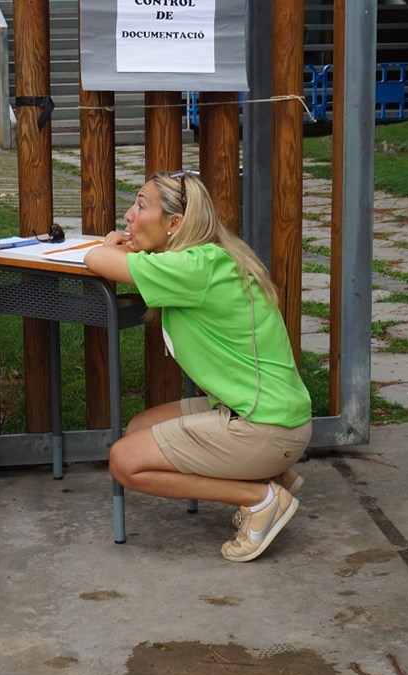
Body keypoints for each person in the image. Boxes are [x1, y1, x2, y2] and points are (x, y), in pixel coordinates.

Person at [83, 171, 313, 563]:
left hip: (264, 426)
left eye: (140, 205)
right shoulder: (203, 258)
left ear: (174, 224)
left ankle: (261, 497)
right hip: (268, 415)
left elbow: (96, 258)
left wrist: (111, 246)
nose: (128, 216)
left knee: (124, 461)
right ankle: (269, 474)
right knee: (140, 429)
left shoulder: (193, 268)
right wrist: (135, 249)